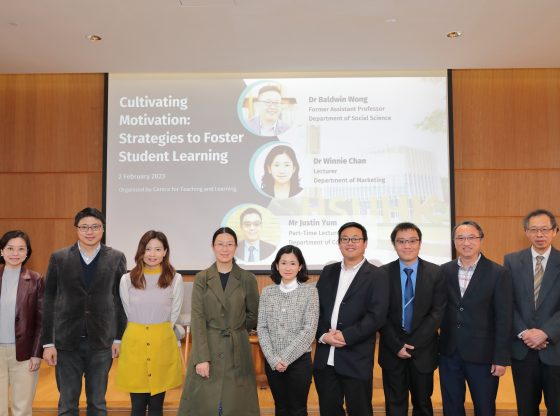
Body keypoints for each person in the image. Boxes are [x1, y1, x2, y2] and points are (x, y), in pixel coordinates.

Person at [41, 207, 127, 415]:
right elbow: (49, 300)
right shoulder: (59, 258)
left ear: (103, 229)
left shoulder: (116, 258)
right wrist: (48, 342)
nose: (90, 231)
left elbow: (121, 300)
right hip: (66, 342)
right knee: (67, 404)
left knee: (98, 404)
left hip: (101, 342)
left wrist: (118, 338)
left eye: (95, 227)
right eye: (84, 227)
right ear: (77, 230)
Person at [178, 227, 260, 416]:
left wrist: (236, 328)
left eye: (229, 244)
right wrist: (201, 358)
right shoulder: (202, 278)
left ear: (236, 248)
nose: (225, 249)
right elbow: (197, 318)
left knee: (237, 405)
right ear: (213, 247)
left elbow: (253, 315)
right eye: (220, 244)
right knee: (205, 404)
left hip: (237, 347)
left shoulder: (247, 278)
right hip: (208, 346)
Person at [313, 222, 389, 416]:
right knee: (328, 411)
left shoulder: (378, 275)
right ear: (339, 244)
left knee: (360, 411)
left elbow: (376, 316)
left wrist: (345, 336)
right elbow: (316, 309)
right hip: (325, 358)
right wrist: (323, 335)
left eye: (355, 239)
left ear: (365, 243)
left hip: (356, 358)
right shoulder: (328, 272)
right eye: (345, 239)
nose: (350, 243)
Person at [438, 220, 512, 416]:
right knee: (451, 407)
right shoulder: (443, 271)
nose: (466, 242)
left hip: (484, 356)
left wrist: (501, 358)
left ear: (480, 240)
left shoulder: (498, 273)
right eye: (460, 238)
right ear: (454, 242)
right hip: (449, 353)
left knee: (485, 407)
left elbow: (504, 319)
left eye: (471, 237)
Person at [378, 222, 446, 416]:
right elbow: (379, 314)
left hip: (423, 351)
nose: (407, 246)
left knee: (423, 403)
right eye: (401, 241)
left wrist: (411, 344)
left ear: (420, 243)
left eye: (412, 241)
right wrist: (397, 344)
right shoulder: (381, 274)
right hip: (392, 351)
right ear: (394, 244)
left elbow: (437, 312)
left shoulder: (436, 272)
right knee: (394, 404)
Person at [116, 230, 183, 416]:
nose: (152, 254)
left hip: (162, 343)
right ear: (141, 251)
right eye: (148, 249)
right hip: (135, 343)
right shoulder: (127, 279)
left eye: (157, 249)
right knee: (137, 406)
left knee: (156, 407)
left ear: (165, 252)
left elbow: (174, 312)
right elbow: (127, 310)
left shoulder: (175, 279)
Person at [504, 208, 560, 416]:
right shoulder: (511, 261)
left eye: (545, 229)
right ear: (526, 232)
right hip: (523, 350)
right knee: (526, 410)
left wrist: (545, 333)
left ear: (555, 231)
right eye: (534, 230)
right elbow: (507, 303)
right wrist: (525, 333)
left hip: (556, 350)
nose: (540, 235)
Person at [257, 245, 319, 416]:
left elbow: (309, 329)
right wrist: (273, 359)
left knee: (298, 409)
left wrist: (285, 358)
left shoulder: (310, 292)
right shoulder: (267, 292)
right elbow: (261, 328)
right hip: (273, 362)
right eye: (283, 262)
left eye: (293, 263)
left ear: (300, 267)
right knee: (281, 408)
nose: (288, 267)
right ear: (277, 265)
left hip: (299, 362)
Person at [0, 230, 44, 416]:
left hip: (25, 354)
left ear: (27, 253)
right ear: (2, 251)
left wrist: (37, 353)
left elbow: (43, 321)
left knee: (22, 409)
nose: (15, 253)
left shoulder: (36, 280)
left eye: (20, 249)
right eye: (10, 248)